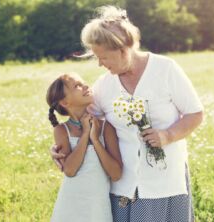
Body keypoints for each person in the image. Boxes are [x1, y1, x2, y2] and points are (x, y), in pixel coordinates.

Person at [51, 5, 203, 222]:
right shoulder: (104, 85)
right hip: (123, 185)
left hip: (164, 179)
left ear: (122, 50)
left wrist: (167, 135)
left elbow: (195, 113)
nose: (100, 64)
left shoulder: (166, 69)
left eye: (103, 57)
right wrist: (59, 146)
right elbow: (81, 118)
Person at [46, 73, 123, 222]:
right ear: (64, 102)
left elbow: (116, 174)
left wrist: (95, 139)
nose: (86, 86)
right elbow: (70, 170)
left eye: (83, 83)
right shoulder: (62, 130)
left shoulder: (106, 127)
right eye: (77, 86)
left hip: (98, 206)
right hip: (70, 204)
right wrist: (86, 133)